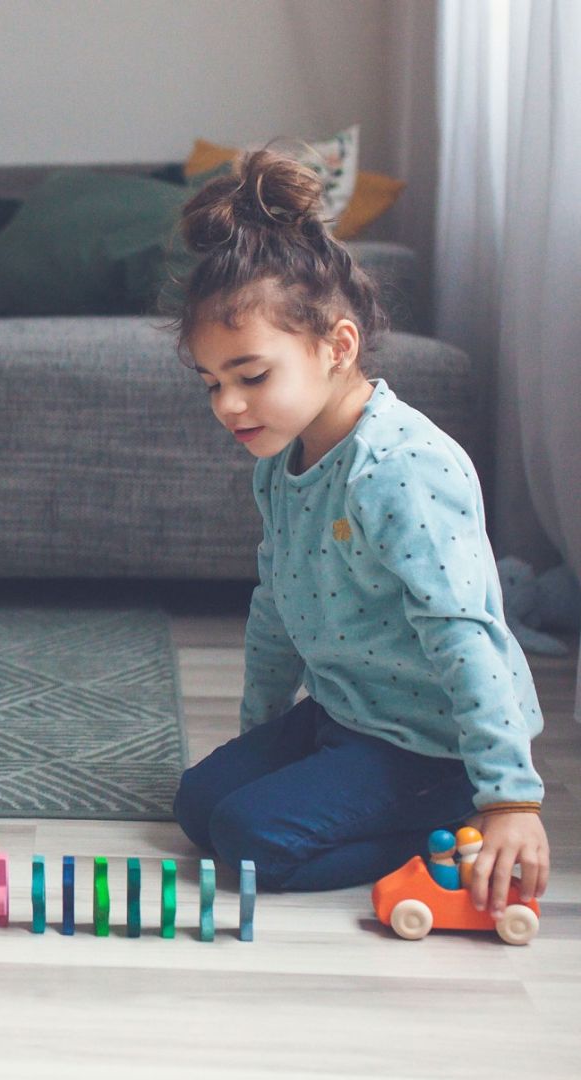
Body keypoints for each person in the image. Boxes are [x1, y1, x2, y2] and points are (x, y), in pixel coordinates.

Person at [170, 150, 549, 919]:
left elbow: (465, 634)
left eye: (251, 376)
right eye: (213, 384)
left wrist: (510, 798)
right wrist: (260, 741)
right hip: (343, 713)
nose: (228, 406)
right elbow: (276, 607)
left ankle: (445, 824)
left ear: (337, 347)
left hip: (429, 744)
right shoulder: (280, 465)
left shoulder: (403, 469)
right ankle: (327, 788)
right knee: (200, 802)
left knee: (246, 840)